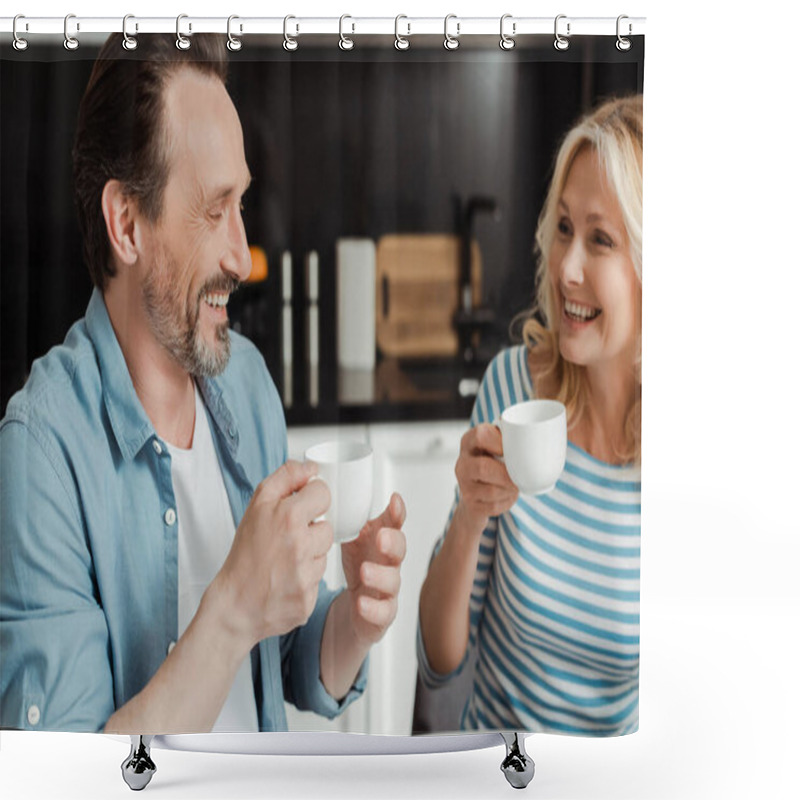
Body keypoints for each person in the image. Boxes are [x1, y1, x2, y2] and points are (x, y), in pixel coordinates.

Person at [0, 33, 406, 734]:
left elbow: (290, 660)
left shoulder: (244, 379)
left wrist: (354, 622)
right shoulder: (41, 450)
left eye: (241, 207)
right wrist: (231, 610)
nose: (240, 255)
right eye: (214, 211)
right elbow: (62, 779)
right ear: (127, 225)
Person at [417, 95, 642, 735]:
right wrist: (469, 515)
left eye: (600, 240)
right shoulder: (511, 390)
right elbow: (438, 660)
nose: (568, 268)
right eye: (565, 228)